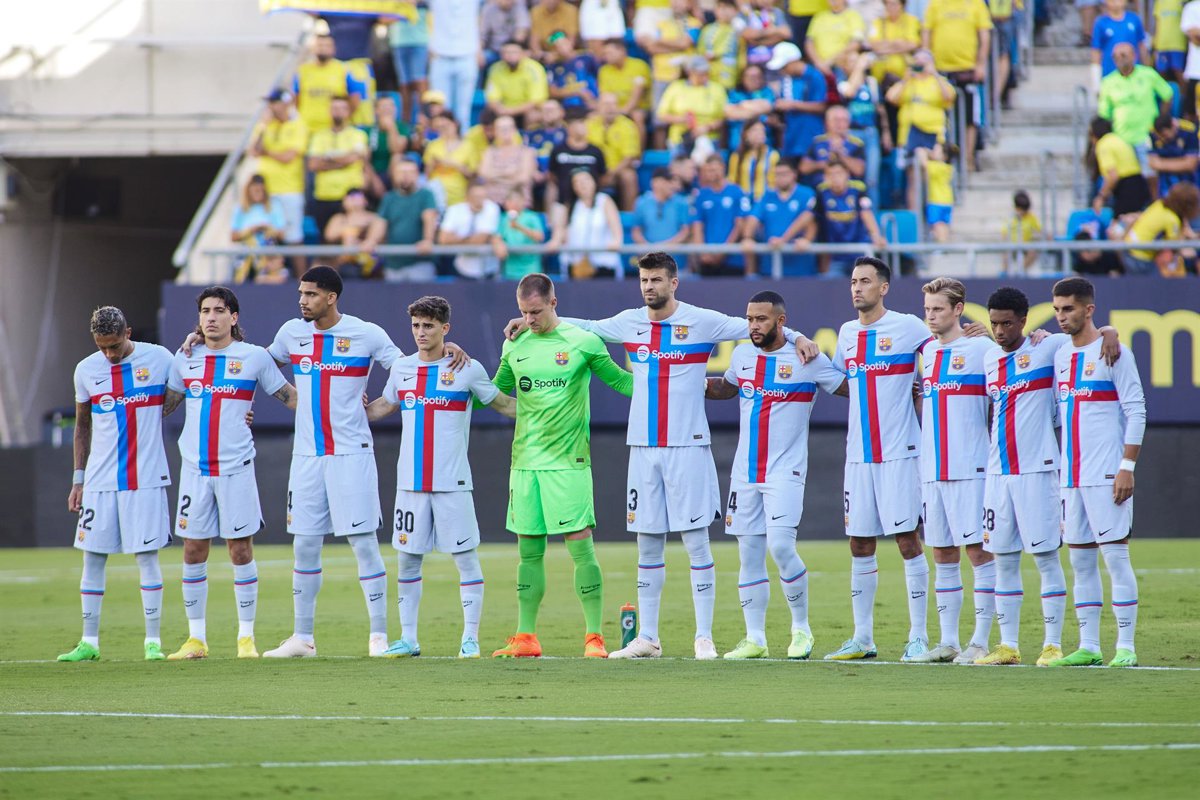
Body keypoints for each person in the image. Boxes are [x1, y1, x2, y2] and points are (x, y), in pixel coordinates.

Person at [513, 253, 818, 660]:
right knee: (648, 544)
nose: (648, 286)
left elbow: (755, 326)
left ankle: (704, 637)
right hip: (642, 448)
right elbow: (585, 326)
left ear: (674, 283)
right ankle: (648, 638)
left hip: (687, 446)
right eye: (643, 279)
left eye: (656, 279)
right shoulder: (629, 322)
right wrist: (529, 322)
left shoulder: (702, 321)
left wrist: (798, 337)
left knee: (696, 543)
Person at [254, 268, 453, 658]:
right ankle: (302, 638)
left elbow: (408, 367)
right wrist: (286, 395)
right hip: (307, 456)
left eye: (311, 294)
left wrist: (448, 349)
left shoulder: (366, 333)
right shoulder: (291, 333)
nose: (302, 300)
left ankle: (378, 637)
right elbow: (255, 363)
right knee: (305, 546)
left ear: (331, 297)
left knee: (363, 544)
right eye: (301, 293)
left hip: (351, 454)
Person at [364, 296, 516, 659]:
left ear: (445, 328)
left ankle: (470, 639)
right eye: (416, 325)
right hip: (410, 484)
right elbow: (382, 406)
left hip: (452, 483)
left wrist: (554, 409)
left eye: (428, 326)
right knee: (407, 561)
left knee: (465, 558)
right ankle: (409, 639)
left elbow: (504, 404)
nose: (421, 332)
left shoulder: (467, 369)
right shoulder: (402, 368)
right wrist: (341, 412)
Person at [490, 273, 634, 658]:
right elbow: (496, 392)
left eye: (536, 312)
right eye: (524, 312)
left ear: (554, 303)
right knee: (528, 551)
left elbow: (623, 384)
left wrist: (673, 384)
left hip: (569, 463)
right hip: (524, 463)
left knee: (580, 546)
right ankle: (526, 637)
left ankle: (594, 637)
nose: (529, 319)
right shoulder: (514, 344)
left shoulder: (583, 342)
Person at [978, 286, 1120, 666]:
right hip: (997, 474)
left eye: (1007, 323)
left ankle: (1052, 644)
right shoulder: (989, 357)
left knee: (1045, 558)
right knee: (1003, 560)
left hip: (1038, 472)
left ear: (1024, 321)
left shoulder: (1048, 347)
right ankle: (1008, 646)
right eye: (994, 324)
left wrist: (1110, 331)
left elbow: (1088, 337)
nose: (1000, 331)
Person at [704, 291, 848, 660]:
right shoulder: (742, 356)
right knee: (749, 554)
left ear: (781, 321)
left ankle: (801, 629)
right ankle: (755, 638)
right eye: (750, 319)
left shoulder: (808, 359)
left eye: (761, 319)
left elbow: (849, 388)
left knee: (781, 547)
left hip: (786, 471)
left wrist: (896, 382)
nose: (753, 326)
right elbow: (726, 388)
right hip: (745, 473)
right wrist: (691, 381)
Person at [162, 287, 297, 661]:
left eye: (219, 310)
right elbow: (165, 405)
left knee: (240, 549)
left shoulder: (254, 357)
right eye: (205, 310)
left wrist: (339, 404)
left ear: (233, 317)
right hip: (194, 469)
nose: (211, 317)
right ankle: (196, 639)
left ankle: (246, 638)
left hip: (236, 468)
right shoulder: (185, 358)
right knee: (193, 549)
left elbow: (290, 397)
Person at [824, 257, 935, 662]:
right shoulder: (847, 332)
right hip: (859, 454)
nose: (857, 288)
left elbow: (944, 351)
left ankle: (918, 636)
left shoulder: (908, 326)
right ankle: (863, 638)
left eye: (865, 281)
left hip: (900, 453)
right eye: (854, 281)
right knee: (859, 542)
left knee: (907, 539)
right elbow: (842, 381)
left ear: (883, 287)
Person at [57, 307, 175, 663]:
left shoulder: (160, 358)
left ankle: (152, 642)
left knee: (147, 557)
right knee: (92, 557)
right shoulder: (86, 370)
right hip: (99, 481)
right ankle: (89, 642)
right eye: (102, 347)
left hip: (146, 479)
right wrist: (78, 480)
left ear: (128, 333)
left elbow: (191, 388)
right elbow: (82, 426)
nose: (109, 354)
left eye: (114, 345)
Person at [1049, 278, 1146, 668]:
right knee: (1080, 562)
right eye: (1057, 309)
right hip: (1070, 477)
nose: (1061, 316)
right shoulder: (1060, 353)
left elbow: (1136, 410)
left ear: (1088, 309)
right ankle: (1089, 645)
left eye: (1068, 309)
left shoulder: (1114, 352)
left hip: (1106, 474)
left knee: (1116, 558)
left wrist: (1126, 468)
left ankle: (1126, 646)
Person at [905, 278, 996, 663]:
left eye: (938, 309)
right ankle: (948, 641)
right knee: (942, 553)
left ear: (959, 309)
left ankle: (981, 641)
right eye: (927, 309)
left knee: (978, 552)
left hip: (970, 468)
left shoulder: (982, 349)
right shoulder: (927, 350)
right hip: (932, 469)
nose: (931, 316)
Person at [923, 0, 992, 171]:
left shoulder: (976, 4)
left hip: (967, 68)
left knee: (970, 116)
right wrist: (927, 61)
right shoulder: (935, 4)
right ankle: (944, 159)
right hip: (940, 70)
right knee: (941, 117)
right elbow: (927, 33)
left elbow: (984, 36)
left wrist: (981, 64)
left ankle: (968, 159)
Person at [789, 157, 887, 276]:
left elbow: (866, 214)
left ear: (847, 174)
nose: (835, 178)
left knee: (865, 284)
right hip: (837, 256)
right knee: (830, 284)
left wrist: (876, 235)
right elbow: (808, 216)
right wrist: (789, 239)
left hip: (861, 254)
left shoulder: (858, 189)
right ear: (825, 177)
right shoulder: (822, 192)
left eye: (839, 173)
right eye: (830, 174)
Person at [886, 49, 955, 209]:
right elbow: (891, 97)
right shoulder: (908, 82)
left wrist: (935, 74)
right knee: (913, 177)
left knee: (933, 174)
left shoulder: (938, 81)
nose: (920, 65)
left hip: (933, 135)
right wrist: (905, 79)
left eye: (923, 62)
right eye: (917, 62)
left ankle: (933, 211)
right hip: (909, 134)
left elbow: (949, 97)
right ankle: (915, 214)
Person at [251, 89, 307, 273]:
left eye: (275, 102)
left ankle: (303, 280)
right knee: (266, 238)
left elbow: (289, 157)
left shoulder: (297, 125)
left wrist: (267, 152)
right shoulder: (265, 125)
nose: (271, 107)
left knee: (294, 238)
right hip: (266, 191)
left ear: (285, 103)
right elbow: (254, 151)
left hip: (290, 189)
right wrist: (263, 127)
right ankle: (269, 277)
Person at [1098, 42, 1176, 169]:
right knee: (1127, 177)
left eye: (1123, 55)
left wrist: (1160, 120)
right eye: (1115, 57)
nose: (1119, 59)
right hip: (1122, 138)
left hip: (1147, 136)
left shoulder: (1148, 74)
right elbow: (1104, 114)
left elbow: (1167, 95)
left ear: (1134, 56)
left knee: (1149, 174)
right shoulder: (1108, 82)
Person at [741, 160, 818, 276]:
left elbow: (809, 220)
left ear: (794, 174)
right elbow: (753, 218)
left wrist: (800, 239)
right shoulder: (767, 195)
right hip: (770, 267)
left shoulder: (807, 194)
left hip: (800, 267)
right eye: (777, 174)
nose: (780, 178)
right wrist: (747, 237)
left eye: (784, 174)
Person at [307, 96, 369, 236]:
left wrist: (327, 157)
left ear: (349, 111)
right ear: (329, 111)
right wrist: (342, 160)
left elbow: (352, 158)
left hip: (350, 196)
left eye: (342, 108)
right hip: (324, 196)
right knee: (325, 238)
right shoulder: (319, 136)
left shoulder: (358, 135)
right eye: (334, 108)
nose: (338, 111)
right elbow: (313, 164)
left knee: (350, 235)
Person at [549, 168, 624, 278]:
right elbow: (560, 231)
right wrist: (555, 241)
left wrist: (616, 242)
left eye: (586, 180)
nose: (582, 184)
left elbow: (617, 231)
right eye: (577, 182)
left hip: (603, 265)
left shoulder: (605, 200)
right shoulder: (570, 205)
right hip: (575, 267)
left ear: (594, 181)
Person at [376, 158, 440, 282]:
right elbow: (380, 222)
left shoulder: (426, 195)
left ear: (417, 175)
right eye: (401, 172)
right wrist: (372, 240)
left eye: (410, 172)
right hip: (394, 264)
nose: (405, 176)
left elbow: (429, 217)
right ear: (394, 175)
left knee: (422, 295)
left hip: (420, 262)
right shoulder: (389, 198)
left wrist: (428, 240)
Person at [692, 153, 752, 276]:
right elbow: (697, 226)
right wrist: (702, 252)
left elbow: (740, 225)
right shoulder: (701, 195)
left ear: (723, 168)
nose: (711, 173)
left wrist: (723, 252)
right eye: (708, 170)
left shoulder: (736, 192)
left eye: (714, 170)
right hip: (707, 259)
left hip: (733, 260)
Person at [428, 0, 484, 132]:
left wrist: (479, 48)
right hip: (440, 56)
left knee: (463, 112)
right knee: (441, 110)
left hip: (467, 55)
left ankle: (462, 142)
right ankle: (442, 142)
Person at [655, 55, 729, 153]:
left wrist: (707, 127)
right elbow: (661, 114)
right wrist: (682, 119)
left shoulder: (717, 89)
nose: (703, 76)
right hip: (680, 137)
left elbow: (724, 116)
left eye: (706, 72)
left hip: (709, 137)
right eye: (699, 73)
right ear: (690, 72)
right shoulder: (676, 87)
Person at [769, 42, 828, 162]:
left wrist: (792, 104)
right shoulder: (787, 80)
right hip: (791, 139)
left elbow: (822, 106)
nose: (782, 71)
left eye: (784, 67)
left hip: (811, 138)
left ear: (794, 61)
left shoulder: (815, 76)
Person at [1125, 181, 1200, 275]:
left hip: (1129, 249)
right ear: (1187, 206)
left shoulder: (1159, 204)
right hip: (1139, 257)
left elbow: (1185, 231)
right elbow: (1174, 246)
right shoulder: (1172, 220)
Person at [587, 92, 643, 211]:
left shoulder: (627, 125)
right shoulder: (589, 124)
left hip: (617, 170)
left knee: (629, 176)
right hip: (593, 169)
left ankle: (629, 215)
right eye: (606, 104)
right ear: (598, 107)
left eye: (614, 104)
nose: (610, 108)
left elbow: (629, 157)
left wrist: (610, 174)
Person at [644, 0, 703, 112]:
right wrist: (677, 46)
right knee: (659, 114)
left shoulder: (694, 23)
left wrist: (660, 41)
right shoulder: (662, 24)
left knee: (682, 112)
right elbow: (652, 48)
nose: (676, 3)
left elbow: (685, 43)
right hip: (661, 75)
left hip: (683, 76)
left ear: (688, 4)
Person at [293, 34, 360, 133]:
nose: (323, 49)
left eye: (327, 46)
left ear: (333, 49)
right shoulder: (303, 70)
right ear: (313, 48)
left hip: (333, 130)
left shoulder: (344, 70)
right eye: (320, 45)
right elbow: (296, 98)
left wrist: (342, 119)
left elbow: (355, 98)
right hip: (307, 129)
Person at [1090, 116, 1152, 219]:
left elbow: (1113, 176)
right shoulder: (1117, 138)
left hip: (1127, 187)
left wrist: (1101, 197)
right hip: (1138, 182)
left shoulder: (1103, 144)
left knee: (1120, 224)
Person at [439, 183, 503, 279]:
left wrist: (457, 239)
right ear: (467, 197)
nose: (480, 200)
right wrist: (470, 240)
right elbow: (443, 239)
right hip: (463, 269)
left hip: (489, 270)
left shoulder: (492, 208)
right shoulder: (455, 210)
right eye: (476, 197)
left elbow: (481, 239)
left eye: (483, 197)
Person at [547, 111, 607, 210]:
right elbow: (552, 175)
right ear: (569, 127)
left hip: (591, 200)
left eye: (584, 123)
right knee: (551, 187)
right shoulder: (558, 150)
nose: (584, 127)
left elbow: (603, 176)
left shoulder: (595, 151)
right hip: (564, 200)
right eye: (580, 123)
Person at [324, 188, 386, 279]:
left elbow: (380, 231)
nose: (353, 199)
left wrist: (370, 241)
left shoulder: (374, 217)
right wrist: (351, 226)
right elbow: (329, 235)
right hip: (344, 264)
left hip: (371, 261)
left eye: (356, 196)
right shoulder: (339, 218)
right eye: (350, 197)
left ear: (365, 201)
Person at [478, 114, 538, 205]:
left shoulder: (526, 152)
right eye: (501, 128)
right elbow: (485, 174)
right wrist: (510, 173)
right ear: (495, 131)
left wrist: (496, 176)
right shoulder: (489, 151)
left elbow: (524, 178)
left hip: (519, 203)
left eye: (508, 128)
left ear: (514, 130)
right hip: (492, 203)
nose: (505, 131)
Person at [631, 167, 693, 254]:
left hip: (675, 259)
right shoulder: (642, 202)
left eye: (672, 181)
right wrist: (649, 249)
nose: (672, 185)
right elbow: (636, 230)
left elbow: (685, 231)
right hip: (650, 259)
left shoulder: (681, 202)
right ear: (655, 182)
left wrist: (664, 248)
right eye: (667, 181)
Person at [423, 113, 479, 210]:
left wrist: (454, 164)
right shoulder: (433, 145)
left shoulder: (468, 146)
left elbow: (473, 175)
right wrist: (433, 164)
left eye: (446, 125)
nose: (444, 129)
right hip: (436, 193)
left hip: (459, 195)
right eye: (440, 127)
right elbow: (427, 174)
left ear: (455, 124)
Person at [485, 41, 550, 124]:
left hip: (526, 109)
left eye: (514, 52)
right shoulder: (495, 69)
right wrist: (500, 109)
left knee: (533, 115)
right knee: (489, 112)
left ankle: (530, 133)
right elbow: (492, 98)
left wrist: (510, 111)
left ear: (523, 54)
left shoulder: (534, 69)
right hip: (505, 108)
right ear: (501, 55)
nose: (510, 56)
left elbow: (536, 101)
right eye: (506, 53)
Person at [801, 105, 867, 185]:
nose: (839, 124)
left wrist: (841, 157)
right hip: (820, 187)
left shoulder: (856, 144)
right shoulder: (817, 142)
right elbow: (803, 168)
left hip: (849, 188)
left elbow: (859, 170)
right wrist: (822, 164)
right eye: (836, 120)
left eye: (843, 120)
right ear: (826, 122)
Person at [389, 1, 430, 125]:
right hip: (398, 42)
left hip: (419, 41)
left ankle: (424, 118)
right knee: (404, 84)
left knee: (419, 81)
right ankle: (405, 122)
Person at [361, 95, 410, 198]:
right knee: (362, 171)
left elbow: (396, 149)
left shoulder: (402, 127)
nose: (387, 109)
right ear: (376, 110)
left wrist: (391, 128)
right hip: (373, 172)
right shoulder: (369, 131)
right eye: (384, 106)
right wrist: (374, 180)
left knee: (397, 157)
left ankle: (396, 198)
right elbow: (365, 159)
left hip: (392, 171)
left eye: (391, 106)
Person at [598, 38, 651, 132]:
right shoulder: (604, 70)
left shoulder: (639, 65)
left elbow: (636, 97)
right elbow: (605, 95)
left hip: (638, 107)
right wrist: (611, 110)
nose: (606, 57)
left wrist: (623, 111)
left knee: (637, 116)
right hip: (613, 107)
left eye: (610, 53)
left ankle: (638, 142)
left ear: (622, 51)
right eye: (605, 54)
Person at [805, 0, 866, 79]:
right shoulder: (819, 17)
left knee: (853, 58)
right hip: (818, 65)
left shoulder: (853, 16)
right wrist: (819, 63)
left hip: (841, 64)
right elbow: (809, 42)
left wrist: (831, 60)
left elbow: (855, 43)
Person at [494, 188, 547, 279]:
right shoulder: (503, 218)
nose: (514, 204)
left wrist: (519, 227)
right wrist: (498, 243)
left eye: (517, 200)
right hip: (510, 272)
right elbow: (496, 236)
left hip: (531, 271)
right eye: (510, 200)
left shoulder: (532, 217)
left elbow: (540, 237)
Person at [1091, 0, 1149, 81]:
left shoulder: (1134, 19)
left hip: (1134, 73)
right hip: (1110, 73)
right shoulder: (1101, 23)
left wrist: (1147, 68)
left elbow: (1141, 45)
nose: (1116, 2)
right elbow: (1096, 50)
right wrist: (1095, 76)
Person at [869, 0, 921, 86]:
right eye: (887, 4)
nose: (890, 7)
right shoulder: (878, 22)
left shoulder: (911, 20)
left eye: (894, 4)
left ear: (902, 5)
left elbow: (913, 44)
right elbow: (875, 46)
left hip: (904, 75)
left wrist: (886, 45)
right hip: (881, 73)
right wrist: (898, 44)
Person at [726, 64, 776, 150]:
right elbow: (729, 112)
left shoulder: (767, 91)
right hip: (737, 145)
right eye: (751, 77)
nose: (755, 79)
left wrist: (741, 105)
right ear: (743, 78)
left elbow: (767, 106)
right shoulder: (735, 93)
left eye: (758, 76)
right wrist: (759, 114)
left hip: (763, 146)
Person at [727, 119, 780, 202]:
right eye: (755, 130)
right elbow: (732, 181)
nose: (759, 134)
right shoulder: (737, 156)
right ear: (745, 134)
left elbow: (775, 182)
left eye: (762, 131)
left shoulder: (773, 155)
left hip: (765, 201)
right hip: (743, 200)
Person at [1148, 114, 1200, 196]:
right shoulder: (1152, 133)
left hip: (1189, 181)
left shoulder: (1189, 130)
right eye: (1160, 137)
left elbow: (1191, 165)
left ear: (1173, 126)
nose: (1163, 139)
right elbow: (1153, 164)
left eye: (1165, 135)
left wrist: (1161, 163)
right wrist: (1181, 163)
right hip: (1166, 183)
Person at [548, 31, 600, 111]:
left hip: (591, 104)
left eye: (563, 43)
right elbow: (553, 92)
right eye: (556, 46)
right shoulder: (553, 66)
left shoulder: (587, 58)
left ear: (570, 42)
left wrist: (596, 100)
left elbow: (600, 78)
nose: (562, 48)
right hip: (567, 108)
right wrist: (577, 92)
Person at [699, 0, 744, 91]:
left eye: (728, 7)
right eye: (720, 7)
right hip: (710, 79)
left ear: (736, 10)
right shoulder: (707, 29)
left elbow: (742, 56)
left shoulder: (739, 30)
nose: (724, 11)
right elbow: (700, 52)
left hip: (730, 78)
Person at [920, 141, 956, 242]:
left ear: (944, 156)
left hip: (936, 200)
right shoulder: (948, 168)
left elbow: (924, 164)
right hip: (947, 201)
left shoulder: (938, 167)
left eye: (936, 150)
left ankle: (941, 244)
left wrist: (923, 152)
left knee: (937, 225)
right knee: (944, 224)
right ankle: (944, 243)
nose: (933, 151)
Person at [741, 0, 792, 68]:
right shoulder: (746, 12)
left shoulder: (776, 12)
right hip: (752, 60)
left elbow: (786, 33)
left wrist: (758, 39)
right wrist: (772, 31)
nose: (766, 1)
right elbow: (746, 35)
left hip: (774, 59)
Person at [1002, 189, 1043, 275]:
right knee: (1005, 252)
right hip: (1012, 245)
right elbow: (1004, 234)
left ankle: (1020, 271)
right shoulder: (1011, 218)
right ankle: (1004, 273)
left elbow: (1041, 231)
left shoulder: (1031, 217)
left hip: (1025, 245)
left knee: (1033, 251)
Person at [481, 0, 531, 66]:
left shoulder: (519, 7)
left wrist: (508, 52)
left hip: (513, 48)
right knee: (481, 58)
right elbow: (482, 35)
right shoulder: (488, 9)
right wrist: (479, 52)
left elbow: (521, 33)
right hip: (494, 50)